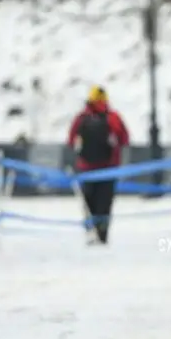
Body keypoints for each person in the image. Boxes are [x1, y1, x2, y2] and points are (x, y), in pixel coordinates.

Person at [67, 85, 130, 244]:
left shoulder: (81, 118)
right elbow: (124, 139)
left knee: (88, 202)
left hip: (86, 169)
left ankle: (90, 231)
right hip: (109, 169)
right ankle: (102, 234)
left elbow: (71, 140)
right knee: (105, 203)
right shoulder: (113, 117)